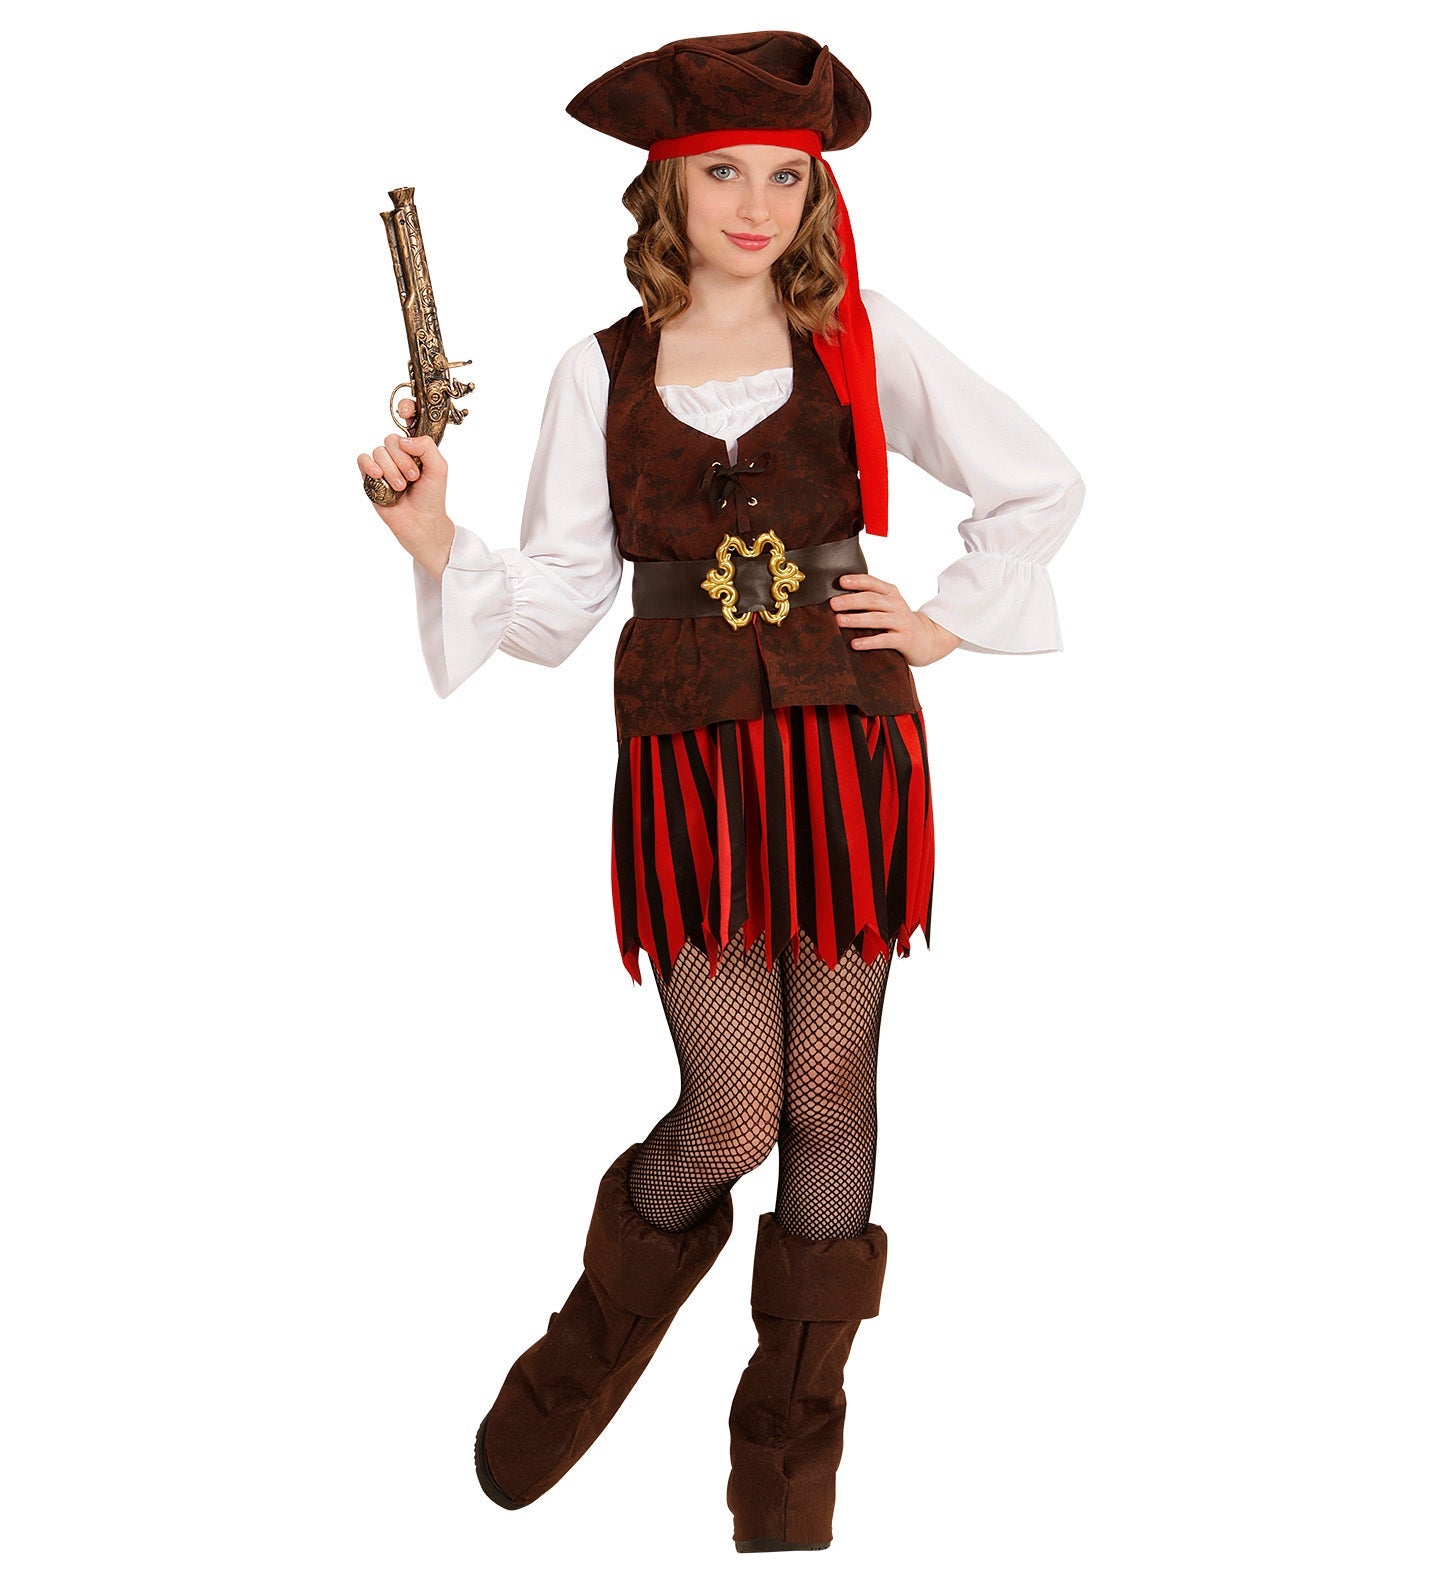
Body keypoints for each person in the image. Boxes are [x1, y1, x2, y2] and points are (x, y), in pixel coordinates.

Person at [355, 30, 1084, 1555]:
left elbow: (1035, 480)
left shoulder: (858, 337)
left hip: (846, 747)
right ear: (664, 191)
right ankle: (581, 1357)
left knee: (828, 1101)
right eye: (721, 174)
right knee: (734, 1112)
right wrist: (434, 542)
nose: (754, 206)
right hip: (687, 759)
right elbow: (557, 603)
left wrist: (944, 618)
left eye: (782, 178)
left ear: (813, 194)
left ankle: (789, 1448)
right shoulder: (597, 370)